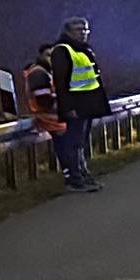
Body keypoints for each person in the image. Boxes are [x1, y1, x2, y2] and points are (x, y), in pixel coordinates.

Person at [46, 17, 108, 192]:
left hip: (87, 105)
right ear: (68, 32)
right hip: (76, 106)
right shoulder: (63, 50)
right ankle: (75, 179)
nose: (83, 33)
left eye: (85, 29)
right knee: (73, 143)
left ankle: (82, 175)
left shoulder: (83, 49)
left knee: (80, 143)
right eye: (78, 30)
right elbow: (61, 83)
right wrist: (68, 108)